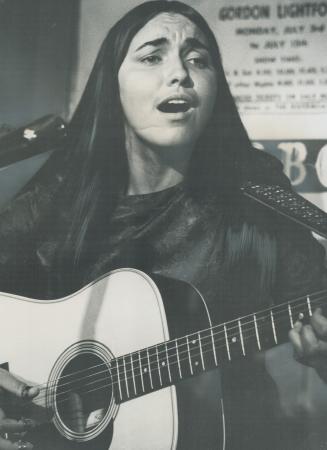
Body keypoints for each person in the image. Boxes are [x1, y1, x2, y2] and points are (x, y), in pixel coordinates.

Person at [0, 1, 326, 449]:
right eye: (152, 56)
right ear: (110, 85)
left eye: (198, 59)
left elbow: (316, 311)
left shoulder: (256, 194)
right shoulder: (58, 199)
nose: (179, 74)